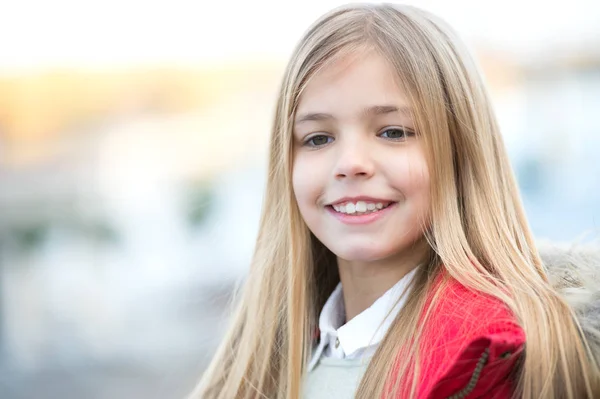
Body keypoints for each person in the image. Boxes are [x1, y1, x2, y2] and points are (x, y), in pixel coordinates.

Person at [191, 3, 600, 398]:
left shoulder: (509, 363)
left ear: (461, 153)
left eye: (393, 132)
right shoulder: (260, 368)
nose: (350, 164)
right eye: (318, 138)